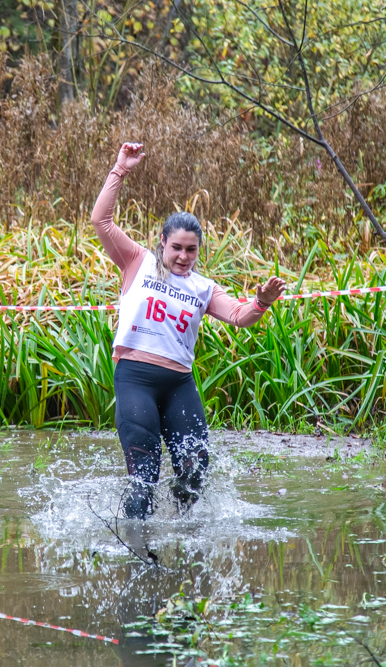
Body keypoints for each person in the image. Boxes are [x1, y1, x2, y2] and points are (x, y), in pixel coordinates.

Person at [92, 142, 286, 519]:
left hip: (179, 385)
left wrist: (261, 302)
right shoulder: (137, 261)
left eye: (191, 250)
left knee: (195, 472)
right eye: (177, 247)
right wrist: (120, 170)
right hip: (135, 379)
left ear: (199, 250)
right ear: (162, 242)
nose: (183, 256)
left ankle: (183, 539)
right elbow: (101, 221)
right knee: (144, 478)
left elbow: (239, 315)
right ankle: (139, 547)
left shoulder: (204, 288)